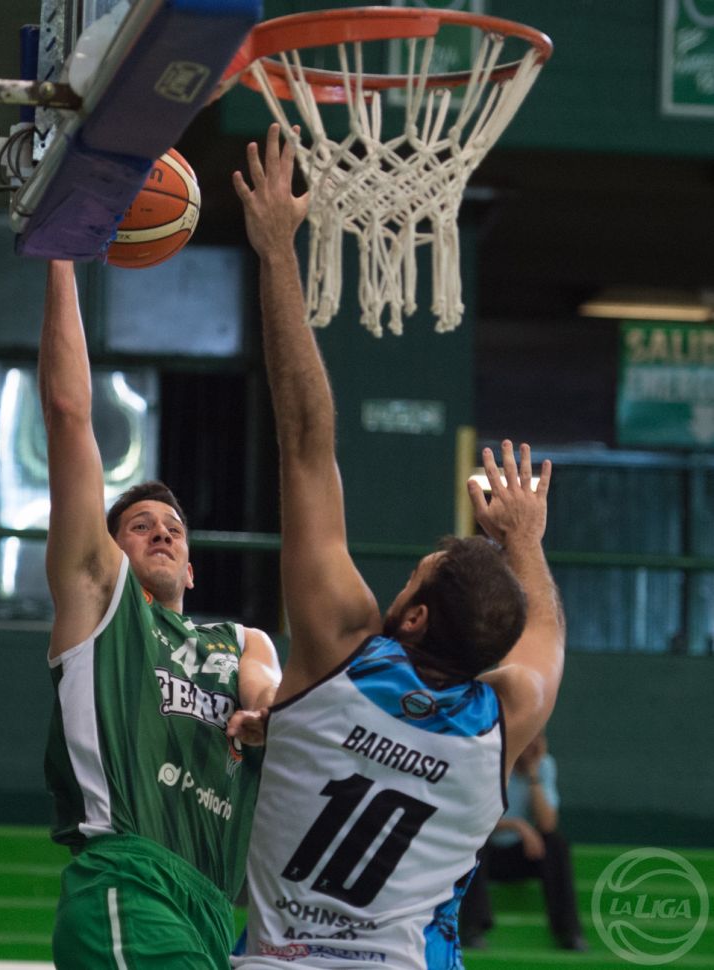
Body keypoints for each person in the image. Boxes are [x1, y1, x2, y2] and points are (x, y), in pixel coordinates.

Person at [229, 123, 566, 969]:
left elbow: (307, 441)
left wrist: (276, 253)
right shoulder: (507, 720)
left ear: (412, 617)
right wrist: (525, 540)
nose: (401, 586)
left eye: (413, 577)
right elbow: (545, 634)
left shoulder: (341, 650)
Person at [39, 260, 281, 970]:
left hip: (209, 910)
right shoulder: (103, 605)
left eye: (174, 527)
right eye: (140, 526)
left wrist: (270, 713)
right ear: (109, 553)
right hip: (128, 886)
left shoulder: (241, 640)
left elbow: (267, 687)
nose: (163, 533)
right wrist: (62, 253)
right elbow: (69, 413)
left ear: (193, 567)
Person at [458, 731, 587, 952]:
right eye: (528, 738)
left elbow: (547, 824)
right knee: (475, 844)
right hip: (485, 855)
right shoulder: (491, 763)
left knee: (555, 843)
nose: (532, 744)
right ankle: (473, 929)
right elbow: (476, 819)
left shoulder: (544, 765)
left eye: (538, 739)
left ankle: (569, 932)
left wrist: (533, 774)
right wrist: (518, 825)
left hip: (523, 853)